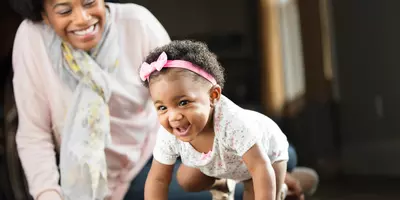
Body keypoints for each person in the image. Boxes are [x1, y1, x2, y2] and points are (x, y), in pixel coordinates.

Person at [9, 0, 204, 199]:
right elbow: (34, 134)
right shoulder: (33, 38)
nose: (83, 19)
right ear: (44, 16)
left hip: (146, 160)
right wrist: (47, 194)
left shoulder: (138, 24)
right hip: (74, 178)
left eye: (89, 3)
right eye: (65, 11)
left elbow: (184, 104)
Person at [140, 40, 290, 200]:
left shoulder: (234, 124)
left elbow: (260, 167)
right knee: (186, 179)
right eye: (162, 108)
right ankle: (224, 184)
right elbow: (158, 179)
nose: (174, 117)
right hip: (226, 163)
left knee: (258, 191)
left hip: (266, 157)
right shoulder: (169, 132)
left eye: (183, 103)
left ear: (213, 96)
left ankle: (282, 189)